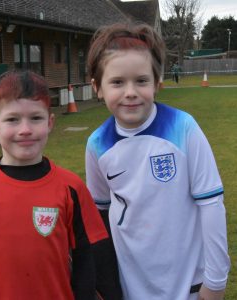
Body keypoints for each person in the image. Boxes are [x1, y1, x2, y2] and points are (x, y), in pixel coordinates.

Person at [0, 70, 113, 300]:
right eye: (12, 119)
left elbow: (84, 263)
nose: (25, 129)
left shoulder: (71, 188)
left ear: (50, 122)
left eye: (36, 118)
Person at [85, 22, 230, 300]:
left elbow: (211, 204)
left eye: (141, 80)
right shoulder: (97, 144)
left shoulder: (183, 127)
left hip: (188, 279)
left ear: (157, 83)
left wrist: (216, 280)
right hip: (130, 280)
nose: (130, 92)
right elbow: (99, 215)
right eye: (117, 82)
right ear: (98, 87)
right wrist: (102, 280)